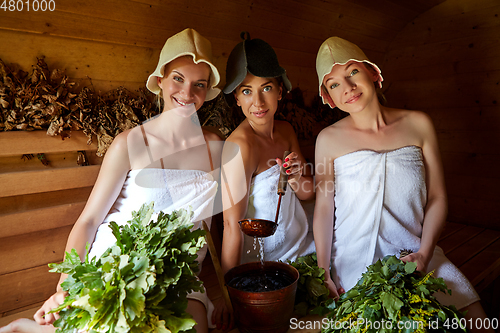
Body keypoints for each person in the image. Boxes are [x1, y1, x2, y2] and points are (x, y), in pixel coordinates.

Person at [0, 28, 223, 333]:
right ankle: (29, 328)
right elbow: (89, 221)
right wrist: (64, 288)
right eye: (178, 79)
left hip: (179, 275)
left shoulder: (216, 146)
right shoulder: (129, 143)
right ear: (160, 80)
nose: (187, 94)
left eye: (199, 84)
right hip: (118, 264)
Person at [313, 36, 492, 332]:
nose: (347, 88)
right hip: (356, 258)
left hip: (417, 251)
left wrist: (424, 253)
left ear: (372, 72)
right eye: (333, 84)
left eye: (353, 72)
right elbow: (323, 206)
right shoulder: (328, 140)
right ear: (329, 97)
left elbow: (437, 197)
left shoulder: (418, 124)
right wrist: (323, 271)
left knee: (479, 323)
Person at [213, 33, 316, 331]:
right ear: (235, 97)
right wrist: (228, 294)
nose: (257, 102)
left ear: (280, 91)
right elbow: (231, 226)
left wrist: (297, 173)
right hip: (266, 260)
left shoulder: (285, 131)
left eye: (266, 88)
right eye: (246, 91)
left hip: (302, 246)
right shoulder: (240, 147)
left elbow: (307, 194)